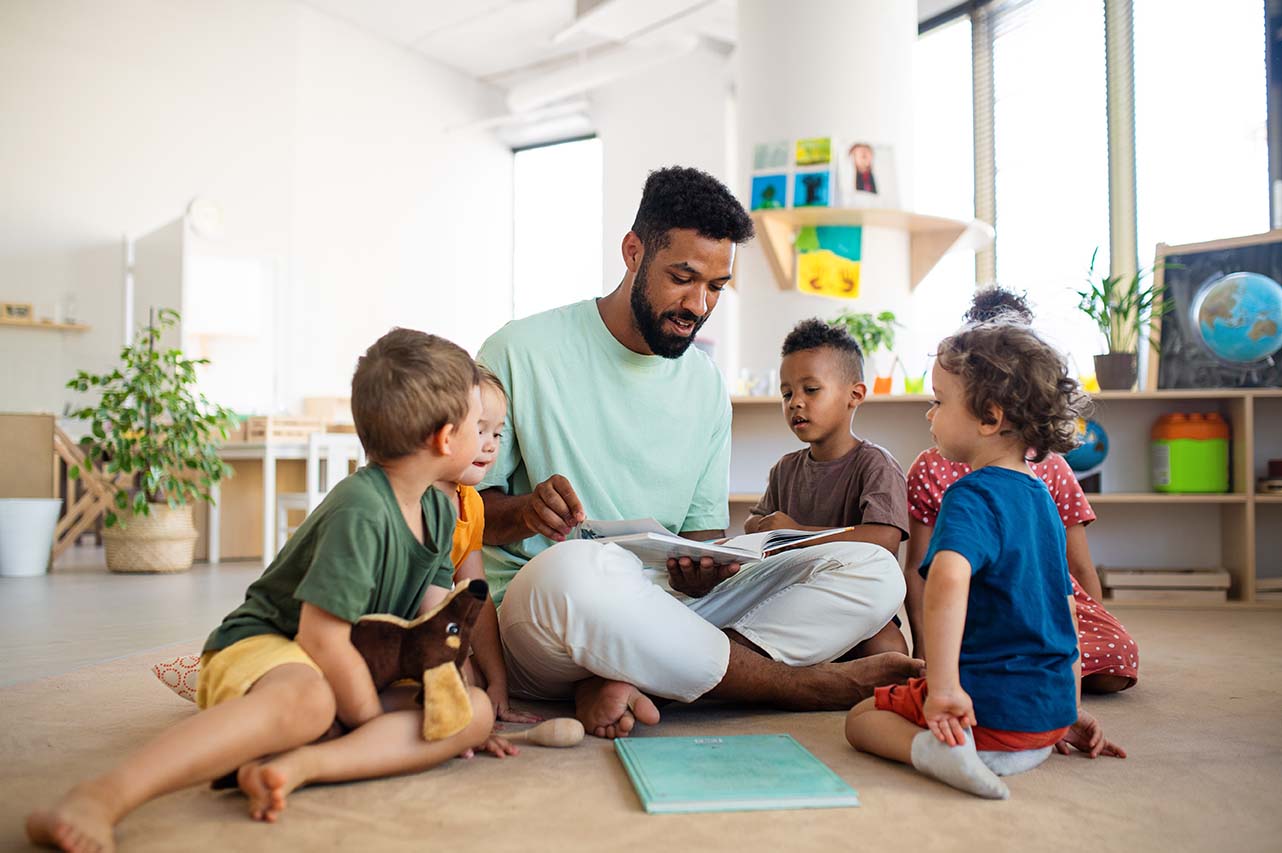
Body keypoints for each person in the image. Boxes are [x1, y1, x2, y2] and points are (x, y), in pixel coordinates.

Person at [477, 166, 919, 740]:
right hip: (550, 613)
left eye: (716, 286)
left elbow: (703, 538)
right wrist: (526, 512)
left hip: (669, 610)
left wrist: (706, 571)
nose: (699, 304)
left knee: (876, 571)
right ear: (632, 252)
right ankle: (799, 685)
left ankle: (634, 675)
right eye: (682, 277)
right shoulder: (519, 350)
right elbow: (459, 512)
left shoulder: (706, 384)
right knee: (574, 571)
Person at [27, 329, 497, 851]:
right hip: (270, 645)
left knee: (471, 712)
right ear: (445, 438)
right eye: (480, 427)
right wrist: (365, 718)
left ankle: (302, 764)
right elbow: (320, 640)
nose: (487, 440)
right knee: (313, 700)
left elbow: (433, 622)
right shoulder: (362, 510)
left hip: (354, 663)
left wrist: (451, 689)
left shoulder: (438, 507)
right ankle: (102, 796)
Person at [845, 323, 1125, 800]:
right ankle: (1020, 737)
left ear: (990, 418)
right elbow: (1066, 609)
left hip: (984, 717)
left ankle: (938, 754)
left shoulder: (970, 495)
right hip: (1044, 720)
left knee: (860, 719)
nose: (929, 414)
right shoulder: (1042, 499)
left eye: (938, 401)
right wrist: (1065, 709)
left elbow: (948, 579)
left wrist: (945, 688)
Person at [903, 287, 1139, 693]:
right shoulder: (937, 471)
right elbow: (925, 570)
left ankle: (1017, 672)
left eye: (938, 402)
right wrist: (927, 653)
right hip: (986, 609)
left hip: (1033, 604)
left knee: (1119, 658)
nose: (930, 411)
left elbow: (1074, 574)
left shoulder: (1040, 476)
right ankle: (1030, 675)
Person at [745, 318, 910, 657]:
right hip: (792, 597)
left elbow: (885, 539)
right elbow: (755, 525)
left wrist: (796, 533)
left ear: (855, 394)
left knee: (889, 651)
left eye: (811, 389)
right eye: (787, 393)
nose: (795, 403)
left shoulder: (875, 464)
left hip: (853, 600)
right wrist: (763, 528)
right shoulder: (785, 468)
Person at [436, 366, 539, 734]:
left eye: (497, 432)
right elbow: (425, 611)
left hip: (426, 627)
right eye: (480, 430)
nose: (491, 444)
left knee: (478, 688)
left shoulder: (470, 504)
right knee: (464, 690)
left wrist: (499, 682)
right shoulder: (419, 503)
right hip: (384, 632)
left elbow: (474, 598)